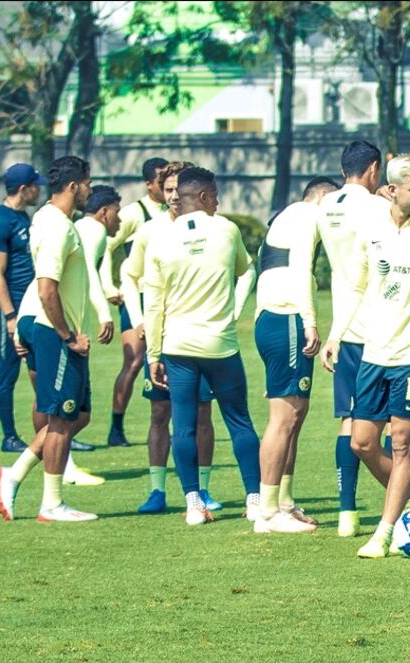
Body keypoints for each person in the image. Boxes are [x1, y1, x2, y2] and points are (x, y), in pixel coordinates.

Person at [322, 154, 410, 558]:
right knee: (362, 443)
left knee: (402, 444)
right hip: (373, 351)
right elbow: (355, 286)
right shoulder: (371, 228)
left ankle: (384, 533)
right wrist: (336, 334)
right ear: (393, 189)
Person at [143, 166, 261, 526]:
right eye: (217, 197)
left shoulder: (159, 238)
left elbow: (154, 302)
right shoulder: (226, 230)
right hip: (220, 344)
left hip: (177, 346)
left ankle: (193, 503)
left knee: (184, 425)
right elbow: (246, 271)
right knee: (239, 421)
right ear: (207, 197)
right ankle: (254, 499)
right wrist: (234, 308)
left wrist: (153, 353)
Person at [0, 156, 98, 522]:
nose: (90, 190)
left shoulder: (50, 219)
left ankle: (14, 474)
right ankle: (51, 504)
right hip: (55, 331)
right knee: (62, 416)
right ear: (73, 186)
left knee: (77, 414)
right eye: (87, 183)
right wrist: (67, 336)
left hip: (44, 325)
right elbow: (46, 286)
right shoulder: (57, 227)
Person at [119, 162, 223, 514]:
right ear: (160, 193)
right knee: (160, 413)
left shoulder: (215, 229)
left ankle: (203, 489)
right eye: (169, 190)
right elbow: (128, 275)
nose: (175, 196)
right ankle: (157, 489)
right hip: (165, 340)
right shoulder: (151, 231)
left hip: (204, 339)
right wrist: (139, 321)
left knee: (202, 414)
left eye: (180, 189)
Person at [250, 176, 341, 533]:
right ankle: (268, 512)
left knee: (295, 415)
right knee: (284, 418)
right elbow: (301, 267)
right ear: (321, 198)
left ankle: (283, 502)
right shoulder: (305, 216)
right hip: (286, 317)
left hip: (274, 318)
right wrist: (309, 321)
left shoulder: (285, 217)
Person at [316, 140, 393, 538]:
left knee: (349, 420)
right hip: (382, 326)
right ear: (374, 169)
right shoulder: (380, 207)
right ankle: (396, 507)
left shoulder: (325, 205)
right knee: (395, 422)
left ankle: (347, 513)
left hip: (344, 329)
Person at [102, 157, 170, 447]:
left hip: (164, 297)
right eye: (161, 183)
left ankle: (174, 421)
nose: (168, 188)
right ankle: (116, 426)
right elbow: (105, 246)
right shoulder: (134, 213)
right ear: (148, 184)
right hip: (137, 296)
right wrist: (110, 286)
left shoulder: (175, 212)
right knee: (133, 361)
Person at [0, 163, 44, 453]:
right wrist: (9, 315)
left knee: (41, 367)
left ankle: (52, 431)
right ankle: (9, 436)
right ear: (24, 189)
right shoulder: (0, 220)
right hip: (9, 308)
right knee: (8, 369)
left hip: (30, 305)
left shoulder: (22, 216)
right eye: (36, 185)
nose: (40, 189)